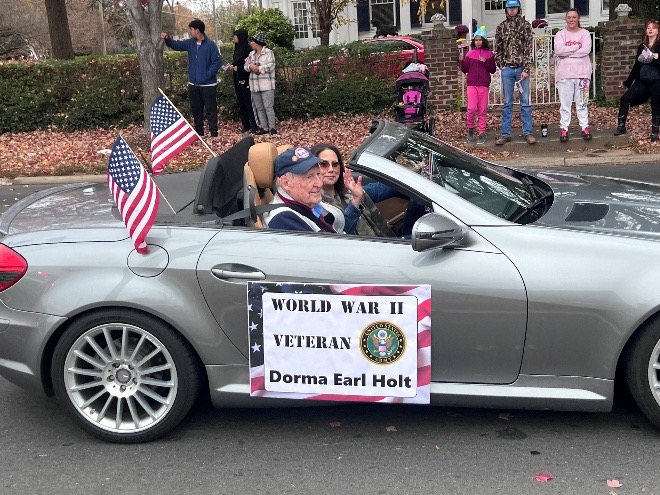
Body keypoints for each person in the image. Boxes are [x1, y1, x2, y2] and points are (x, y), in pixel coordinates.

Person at [310, 143, 399, 237]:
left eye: (335, 164)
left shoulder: (348, 191)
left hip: (386, 244)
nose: (331, 169)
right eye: (324, 164)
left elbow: (379, 191)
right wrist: (355, 202)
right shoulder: (314, 205)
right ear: (313, 168)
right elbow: (339, 235)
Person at [160, 19, 229, 137]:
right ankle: (199, 133)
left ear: (197, 30)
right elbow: (177, 45)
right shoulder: (190, 43)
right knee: (196, 110)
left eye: (191, 29)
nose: (190, 31)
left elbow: (217, 62)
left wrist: (207, 75)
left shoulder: (210, 45)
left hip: (208, 85)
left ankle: (214, 133)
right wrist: (167, 38)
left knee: (210, 110)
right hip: (193, 84)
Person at [264, 147, 345, 232]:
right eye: (309, 177)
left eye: (318, 174)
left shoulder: (306, 202)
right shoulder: (283, 219)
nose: (319, 184)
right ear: (286, 183)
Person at [494, 0, 536, 145]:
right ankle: (505, 134)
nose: (512, 10)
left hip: (521, 70)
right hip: (507, 70)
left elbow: (529, 49)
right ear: (506, 10)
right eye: (509, 8)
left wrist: (525, 69)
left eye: (514, 8)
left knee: (525, 102)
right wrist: (501, 66)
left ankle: (528, 132)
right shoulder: (501, 27)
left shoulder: (525, 26)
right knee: (507, 103)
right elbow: (497, 49)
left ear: (518, 8)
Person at [613, 20, 660, 142]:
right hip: (642, 81)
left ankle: (655, 132)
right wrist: (627, 82)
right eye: (648, 28)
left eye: (653, 28)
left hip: (656, 81)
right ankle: (621, 127)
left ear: (658, 31)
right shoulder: (642, 47)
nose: (650, 30)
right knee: (625, 99)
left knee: (656, 105)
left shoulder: (659, 46)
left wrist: (656, 59)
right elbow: (636, 66)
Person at [554, 8, 592, 143]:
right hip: (564, 75)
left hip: (583, 74)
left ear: (578, 19)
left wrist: (567, 53)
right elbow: (558, 51)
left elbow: (586, 50)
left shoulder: (585, 34)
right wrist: (576, 47)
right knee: (565, 104)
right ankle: (564, 129)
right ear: (566, 19)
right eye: (569, 17)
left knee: (583, 103)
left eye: (574, 17)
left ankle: (585, 127)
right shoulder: (560, 34)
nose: (571, 20)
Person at [459, 26, 496, 145]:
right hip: (472, 84)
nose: (478, 42)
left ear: (484, 40)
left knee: (482, 110)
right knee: (471, 108)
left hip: (484, 85)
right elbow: (465, 69)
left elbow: (493, 69)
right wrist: (461, 61)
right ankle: (470, 129)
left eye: (480, 40)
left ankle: (481, 133)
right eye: (476, 40)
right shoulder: (470, 54)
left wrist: (485, 62)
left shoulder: (489, 54)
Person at [245, 32, 277, 135]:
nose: (251, 43)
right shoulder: (251, 54)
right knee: (259, 107)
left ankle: (272, 128)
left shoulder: (269, 53)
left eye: (253, 41)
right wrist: (250, 67)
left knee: (268, 107)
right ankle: (264, 127)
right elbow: (245, 66)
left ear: (257, 43)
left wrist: (258, 68)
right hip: (254, 86)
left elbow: (271, 66)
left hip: (267, 85)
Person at [230, 28, 258, 133]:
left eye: (236, 36)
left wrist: (239, 68)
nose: (234, 38)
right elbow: (237, 60)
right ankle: (245, 124)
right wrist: (232, 65)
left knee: (248, 102)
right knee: (241, 102)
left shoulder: (248, 50)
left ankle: (253, 124)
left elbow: (249, 65)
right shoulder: (237, 48)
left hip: (245, 79)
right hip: (237, 78)